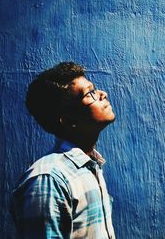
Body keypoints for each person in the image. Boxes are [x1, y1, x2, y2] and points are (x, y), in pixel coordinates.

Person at [10, 62, 116, 239]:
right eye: (90, 94)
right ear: (67, 119)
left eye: (95, 89)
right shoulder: (49, 180)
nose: (102, 94)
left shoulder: (90, 167)